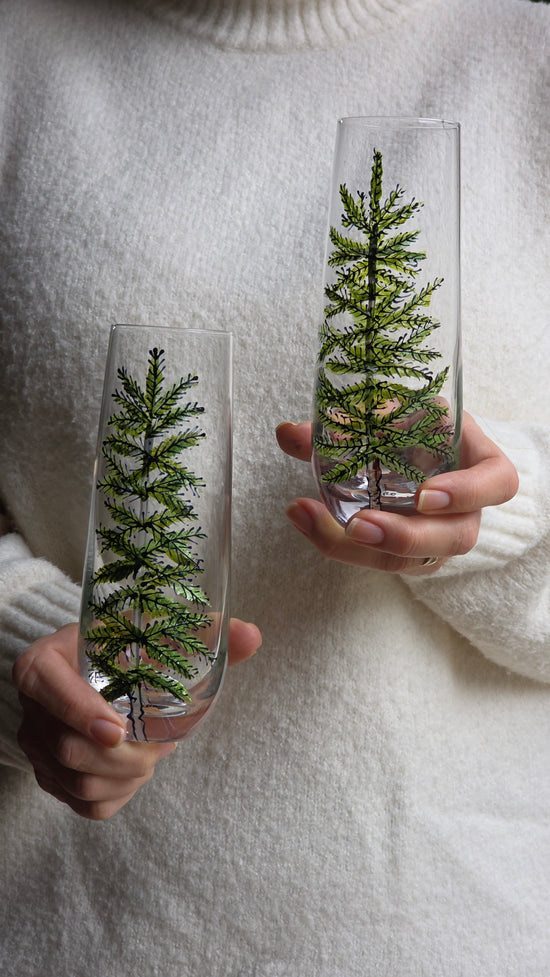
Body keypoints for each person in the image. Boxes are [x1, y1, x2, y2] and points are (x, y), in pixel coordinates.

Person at [0, 0, 549, 974]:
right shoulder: (19, 55)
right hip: (81, 930)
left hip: (472, 929)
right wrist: (25, 644)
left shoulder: (526, 47)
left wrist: (499, 517)